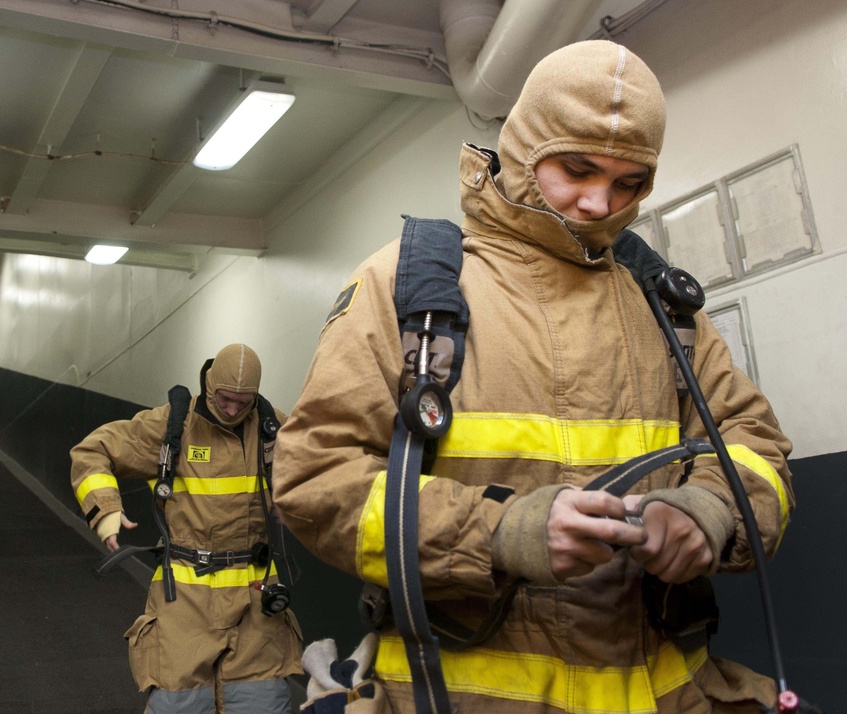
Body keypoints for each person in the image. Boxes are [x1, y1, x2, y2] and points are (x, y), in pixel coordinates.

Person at [273, 40, 794, 714]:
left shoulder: (662, 307)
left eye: (629, 182)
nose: (599, 202)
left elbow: (758, 448)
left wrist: (709, 512)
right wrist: (501, 532)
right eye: (576, 170)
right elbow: (315, 480)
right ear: (524, 150)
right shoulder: (408, 285)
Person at [71, 343, 304, 713]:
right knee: (180, 705)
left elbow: (318, 477)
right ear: (209, 386)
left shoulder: (273, 429)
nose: (232, 410)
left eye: (243, 403)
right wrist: (105, 510)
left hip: (255, 603)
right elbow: (92, 451)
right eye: (225, 400)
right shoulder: (172, 427)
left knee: (261, 704)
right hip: (185, 602)